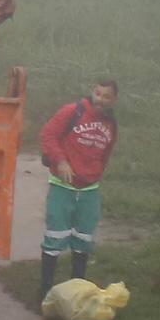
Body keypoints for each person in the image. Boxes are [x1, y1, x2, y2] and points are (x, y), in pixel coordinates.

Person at [37, 79, 119, 288]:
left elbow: (106, 154)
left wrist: (96, 173)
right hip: (62, 187)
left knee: (83, 240)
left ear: (114, 100)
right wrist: (61, 161)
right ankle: (45, 290)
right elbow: (48, 135)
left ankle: (77, 289)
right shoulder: (72, 111)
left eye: (106, 96)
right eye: (98, 93)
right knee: (55, 237)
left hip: (90, 190)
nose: (100, 99)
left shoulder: (111, 124)